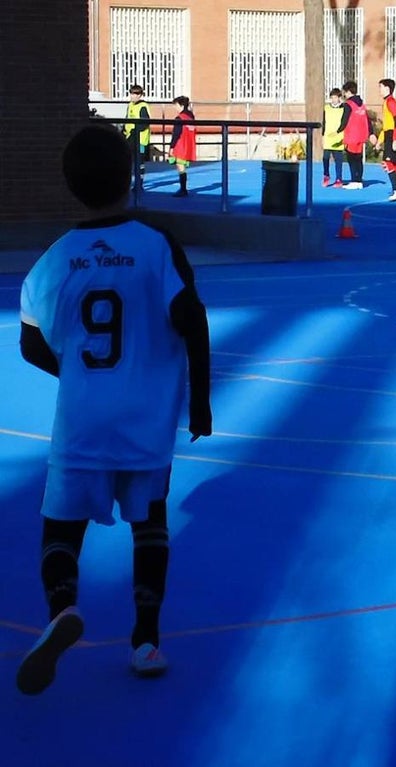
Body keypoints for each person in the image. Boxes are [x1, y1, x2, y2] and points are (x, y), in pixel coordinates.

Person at [15, 124, 212, 695]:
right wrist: (199, 398)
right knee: (149, 522)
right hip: (146, 423)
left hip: (83, 420)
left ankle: (61, 609)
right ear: (132, 175)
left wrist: (76, 372)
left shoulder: (54, 260)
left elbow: (30, 345)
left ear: (70, 186)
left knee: (61, 526)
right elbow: (191, 320)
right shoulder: (155, 244)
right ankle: (146, 640)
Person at [369, 78, 396, 202]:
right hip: (389, 134)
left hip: (394, 134)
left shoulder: (391, 101)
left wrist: (395, 139)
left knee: (387, 163)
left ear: (387, 88)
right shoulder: (386, 102)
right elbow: (386, 126)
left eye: (381, 87)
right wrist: (379, 141)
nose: (379, 90)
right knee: (394, 163)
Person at [341, 80, 369, 190]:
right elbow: (367, 119)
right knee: (359, 158)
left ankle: (354, 180)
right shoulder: (362, 104)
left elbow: (345, 119)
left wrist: (338, 130)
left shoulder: (348, 104)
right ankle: (359, 180)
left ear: (348, 91)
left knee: (351, 158)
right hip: (361, 134)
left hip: (351, 134)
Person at [122, 84, 151, 190]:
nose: (134, 96)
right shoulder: (130, 105)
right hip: (130, 136)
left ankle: (139, 184)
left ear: (140, 95)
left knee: (139, 162)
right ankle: (129, 182)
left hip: (140, 139)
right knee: (128, 160)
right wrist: (124, 130)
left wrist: (136, 130)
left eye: (136, 94)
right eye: (132, 93)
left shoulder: (143, 106)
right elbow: (127, 118)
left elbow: (145, 123)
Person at [168, 96, 196, 197]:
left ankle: (183, 189)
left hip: (180, 145)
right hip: (188, 145)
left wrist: (171, 147)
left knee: (180, 167)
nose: (175, 108)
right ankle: (183, 188)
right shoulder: (191, 116)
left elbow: (176, 133)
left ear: (181, 105)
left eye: (176, 105)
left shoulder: (180, 118)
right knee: (182, 167)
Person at [322, 87, 349, 188]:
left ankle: (339, 179)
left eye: (335, 97)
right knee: (325, 158)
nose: (333, 99)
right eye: (332, 97)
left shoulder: (343, 108)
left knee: (338, 160)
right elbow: (324, 122)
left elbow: (344, 122)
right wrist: (322, 135)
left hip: (338, 137)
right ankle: (326, 175)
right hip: (328, 137)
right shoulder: (327, 108)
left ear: (339, 98)